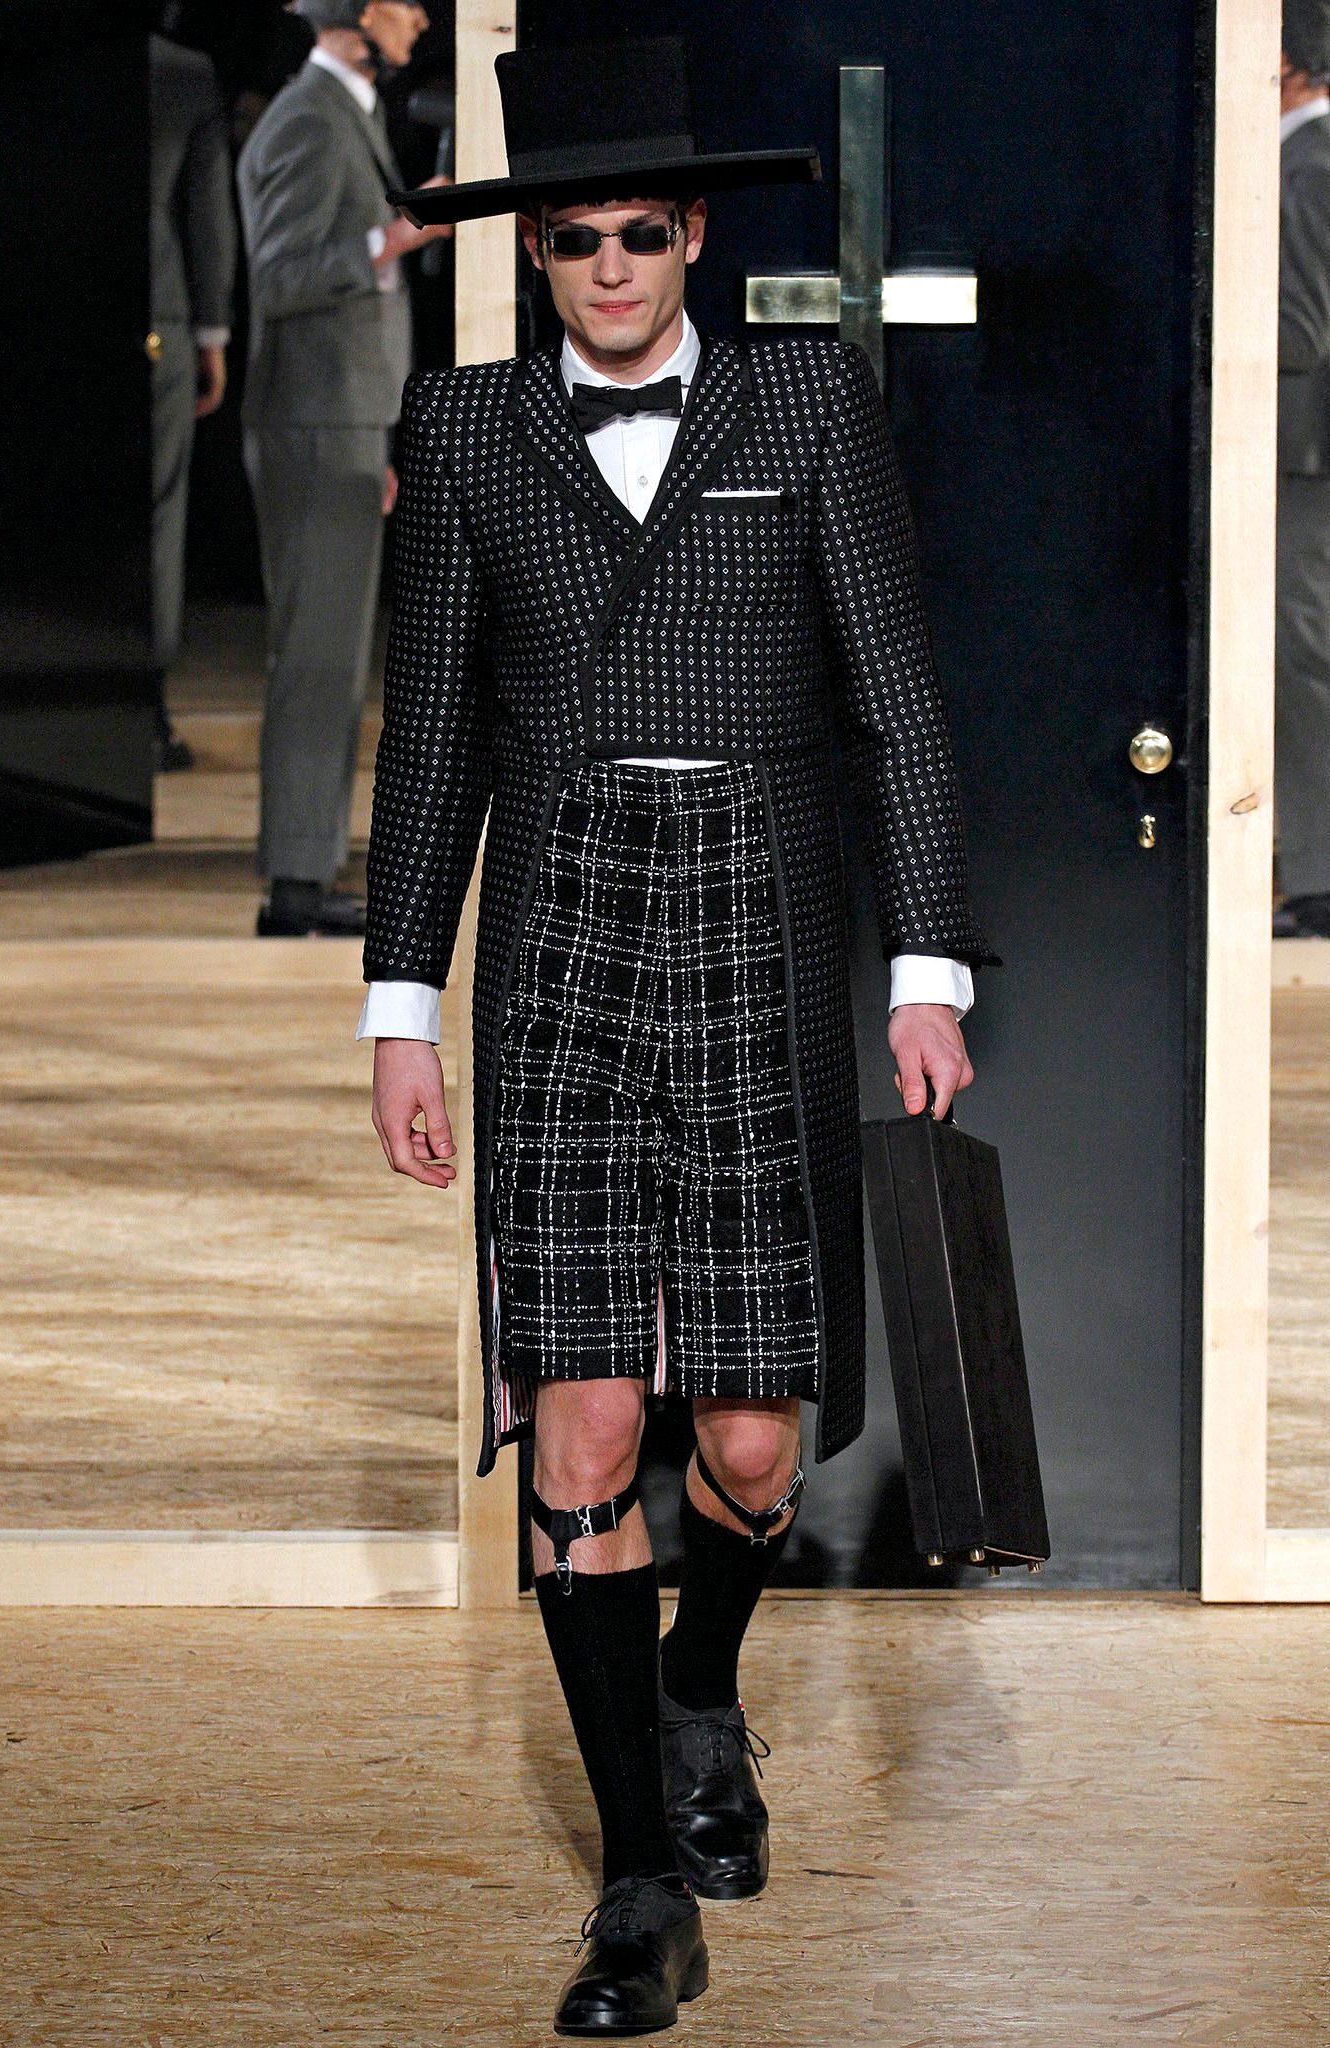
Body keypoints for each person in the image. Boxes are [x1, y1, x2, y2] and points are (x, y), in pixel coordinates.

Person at [358, 35, 997, 2035]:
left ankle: (698, 1681)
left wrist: (926, 964)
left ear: (694, 234)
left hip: (753, 915)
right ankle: (638, 1882)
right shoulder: (466, 426)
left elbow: (898, 695)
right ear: (534, 254)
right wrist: (399, 1006)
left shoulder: (803, 397)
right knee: (583, 1420)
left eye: (642, 232)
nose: (613, 267)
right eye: (575, 240)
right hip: (558, 929)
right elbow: (432, 736)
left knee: (745, 1433)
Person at [236, 0, 449, 937]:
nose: (420, 19)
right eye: (404, 2)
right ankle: (294, 882)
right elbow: (281, 277)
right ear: (360, 13)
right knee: (317, 659)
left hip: (343, 418)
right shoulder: (309, 119)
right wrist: (396, 236)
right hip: (317, 419)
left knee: (330, 656)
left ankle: (308, 863)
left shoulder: (336, 112)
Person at [148, 24, 237, 772]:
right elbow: (206, 213)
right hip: (156, 322)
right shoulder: (180, 72)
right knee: (156, 515)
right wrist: (211, 334)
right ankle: (145, 707)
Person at [1276, 0, 1330, 939]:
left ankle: (1322, 883)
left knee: (1305, 660)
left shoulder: (1310, 163)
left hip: (1303, 460)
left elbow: (1301, 331)